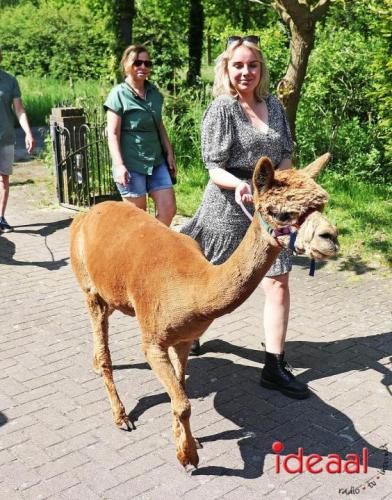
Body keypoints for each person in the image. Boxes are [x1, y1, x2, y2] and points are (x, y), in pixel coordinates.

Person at [180, 35, 309, 399]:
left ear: (260, 69)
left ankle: (274, 365)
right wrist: (239, 185)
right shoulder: (222, 108)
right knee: (209, 278)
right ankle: (192, 333)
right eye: (238, 65)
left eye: (252, 65)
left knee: (278, 281)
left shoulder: (276, 107)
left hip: (269, 207)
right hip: (227, 206)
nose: (246, 72)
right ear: (227, 68)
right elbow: (213, 167)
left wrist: (279, 187)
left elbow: (284, 156)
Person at [104, 44, 176, 226]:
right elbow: (112, 133)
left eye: (147, 63)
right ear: (128, 65)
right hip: (132, 164)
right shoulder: (118, 95)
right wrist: (119, 165)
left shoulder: (154, 94)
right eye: (138, 63)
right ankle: (135, 252)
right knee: (137, 219)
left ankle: (152, 247)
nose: (143, 67)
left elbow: (159, 125)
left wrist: (169, 154)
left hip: (156, 162)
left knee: (168, 210)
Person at [0, 48, 35, 233]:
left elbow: (19, 110)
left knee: (3, 179)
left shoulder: (9, 81)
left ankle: (1, 218)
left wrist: (28, 132)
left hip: (5, 138)